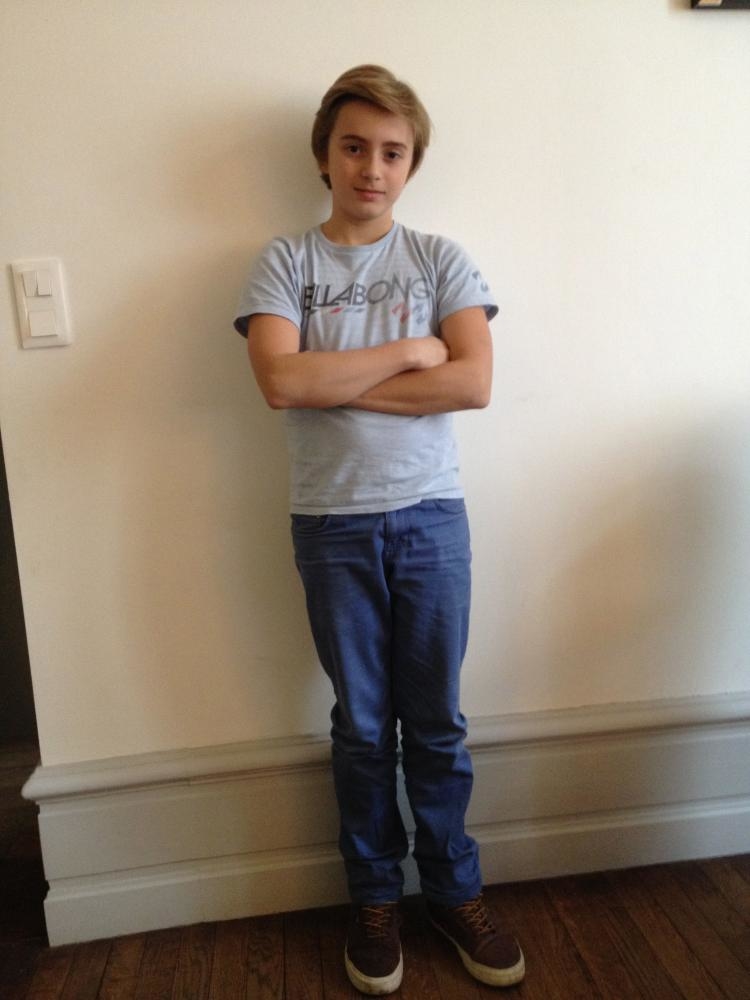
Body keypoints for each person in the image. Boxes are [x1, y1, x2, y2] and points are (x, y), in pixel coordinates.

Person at [234, 64, 524, 995]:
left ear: (412, 165)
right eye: (354, 147)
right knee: (362, 727)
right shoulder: (286, 263)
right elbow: (281, 382)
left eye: (392, 152)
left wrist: (336, 378)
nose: (372, 167)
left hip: (431, 520)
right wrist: (406, 352)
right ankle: (374, 899)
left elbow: (472, 382)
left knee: (435, 723)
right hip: (332, 526)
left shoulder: (441, 259)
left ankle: (454, 891)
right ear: (324, 157)